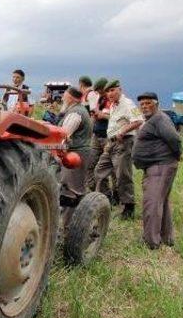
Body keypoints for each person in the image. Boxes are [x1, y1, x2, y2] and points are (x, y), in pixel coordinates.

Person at [132, 92, 182, 249]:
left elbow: (174, 138)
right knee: (161, 202)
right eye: (142, 104)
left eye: (148, 103)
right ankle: (166, 238)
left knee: (152, 203)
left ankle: (151, 242)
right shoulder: (151, 120)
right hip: (157, 166)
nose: (145, 106)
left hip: (160, 166)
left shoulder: (160, 118)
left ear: (157, 104)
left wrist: (178, 153)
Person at [94, 80, 144, 219]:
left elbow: (139, 120)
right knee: (99, 171)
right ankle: (108, 199)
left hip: (124, 142)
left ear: (119, 89)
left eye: (112, 90)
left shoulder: (128, 104)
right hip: (111, 143)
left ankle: (128, 207)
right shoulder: (113, 105)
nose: (109, 94)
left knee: (123, 175)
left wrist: (122, 131)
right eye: (107, 91)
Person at [58, 87, 93, 224]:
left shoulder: (75, 113)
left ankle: (68, 226)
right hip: (78, 153)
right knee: (75, 189)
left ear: (71, 98)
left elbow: (63, 136)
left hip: (75, 156)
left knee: (70, 192)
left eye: (64, 96)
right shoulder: (78, 111)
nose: (62, 98)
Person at [86, 78, 111, 192]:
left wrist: (98, 114)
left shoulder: (111, 100)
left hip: (108, 136)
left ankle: (112, 194)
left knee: (108, 167)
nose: (99, 93)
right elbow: (96, 115)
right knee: (91, 163)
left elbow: (104, 116)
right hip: (97, 134)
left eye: (100, 91)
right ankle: (95, 189)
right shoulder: (101, 99)